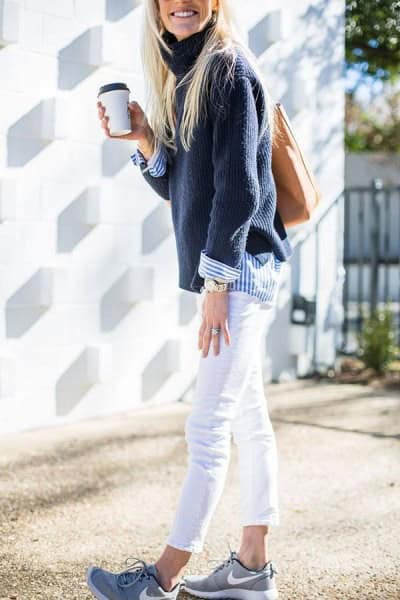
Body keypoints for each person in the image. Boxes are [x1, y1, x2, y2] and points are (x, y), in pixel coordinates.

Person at [88, 1, 293, 599]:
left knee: (208, 426)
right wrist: (147, 139)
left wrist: (217, 285)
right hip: (238, 270)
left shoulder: (226, 69)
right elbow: (184, 188)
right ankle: (251, 570)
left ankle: (161, 579)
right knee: (248, 419)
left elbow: (241, 189)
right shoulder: (189, 73)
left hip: (239, 273)